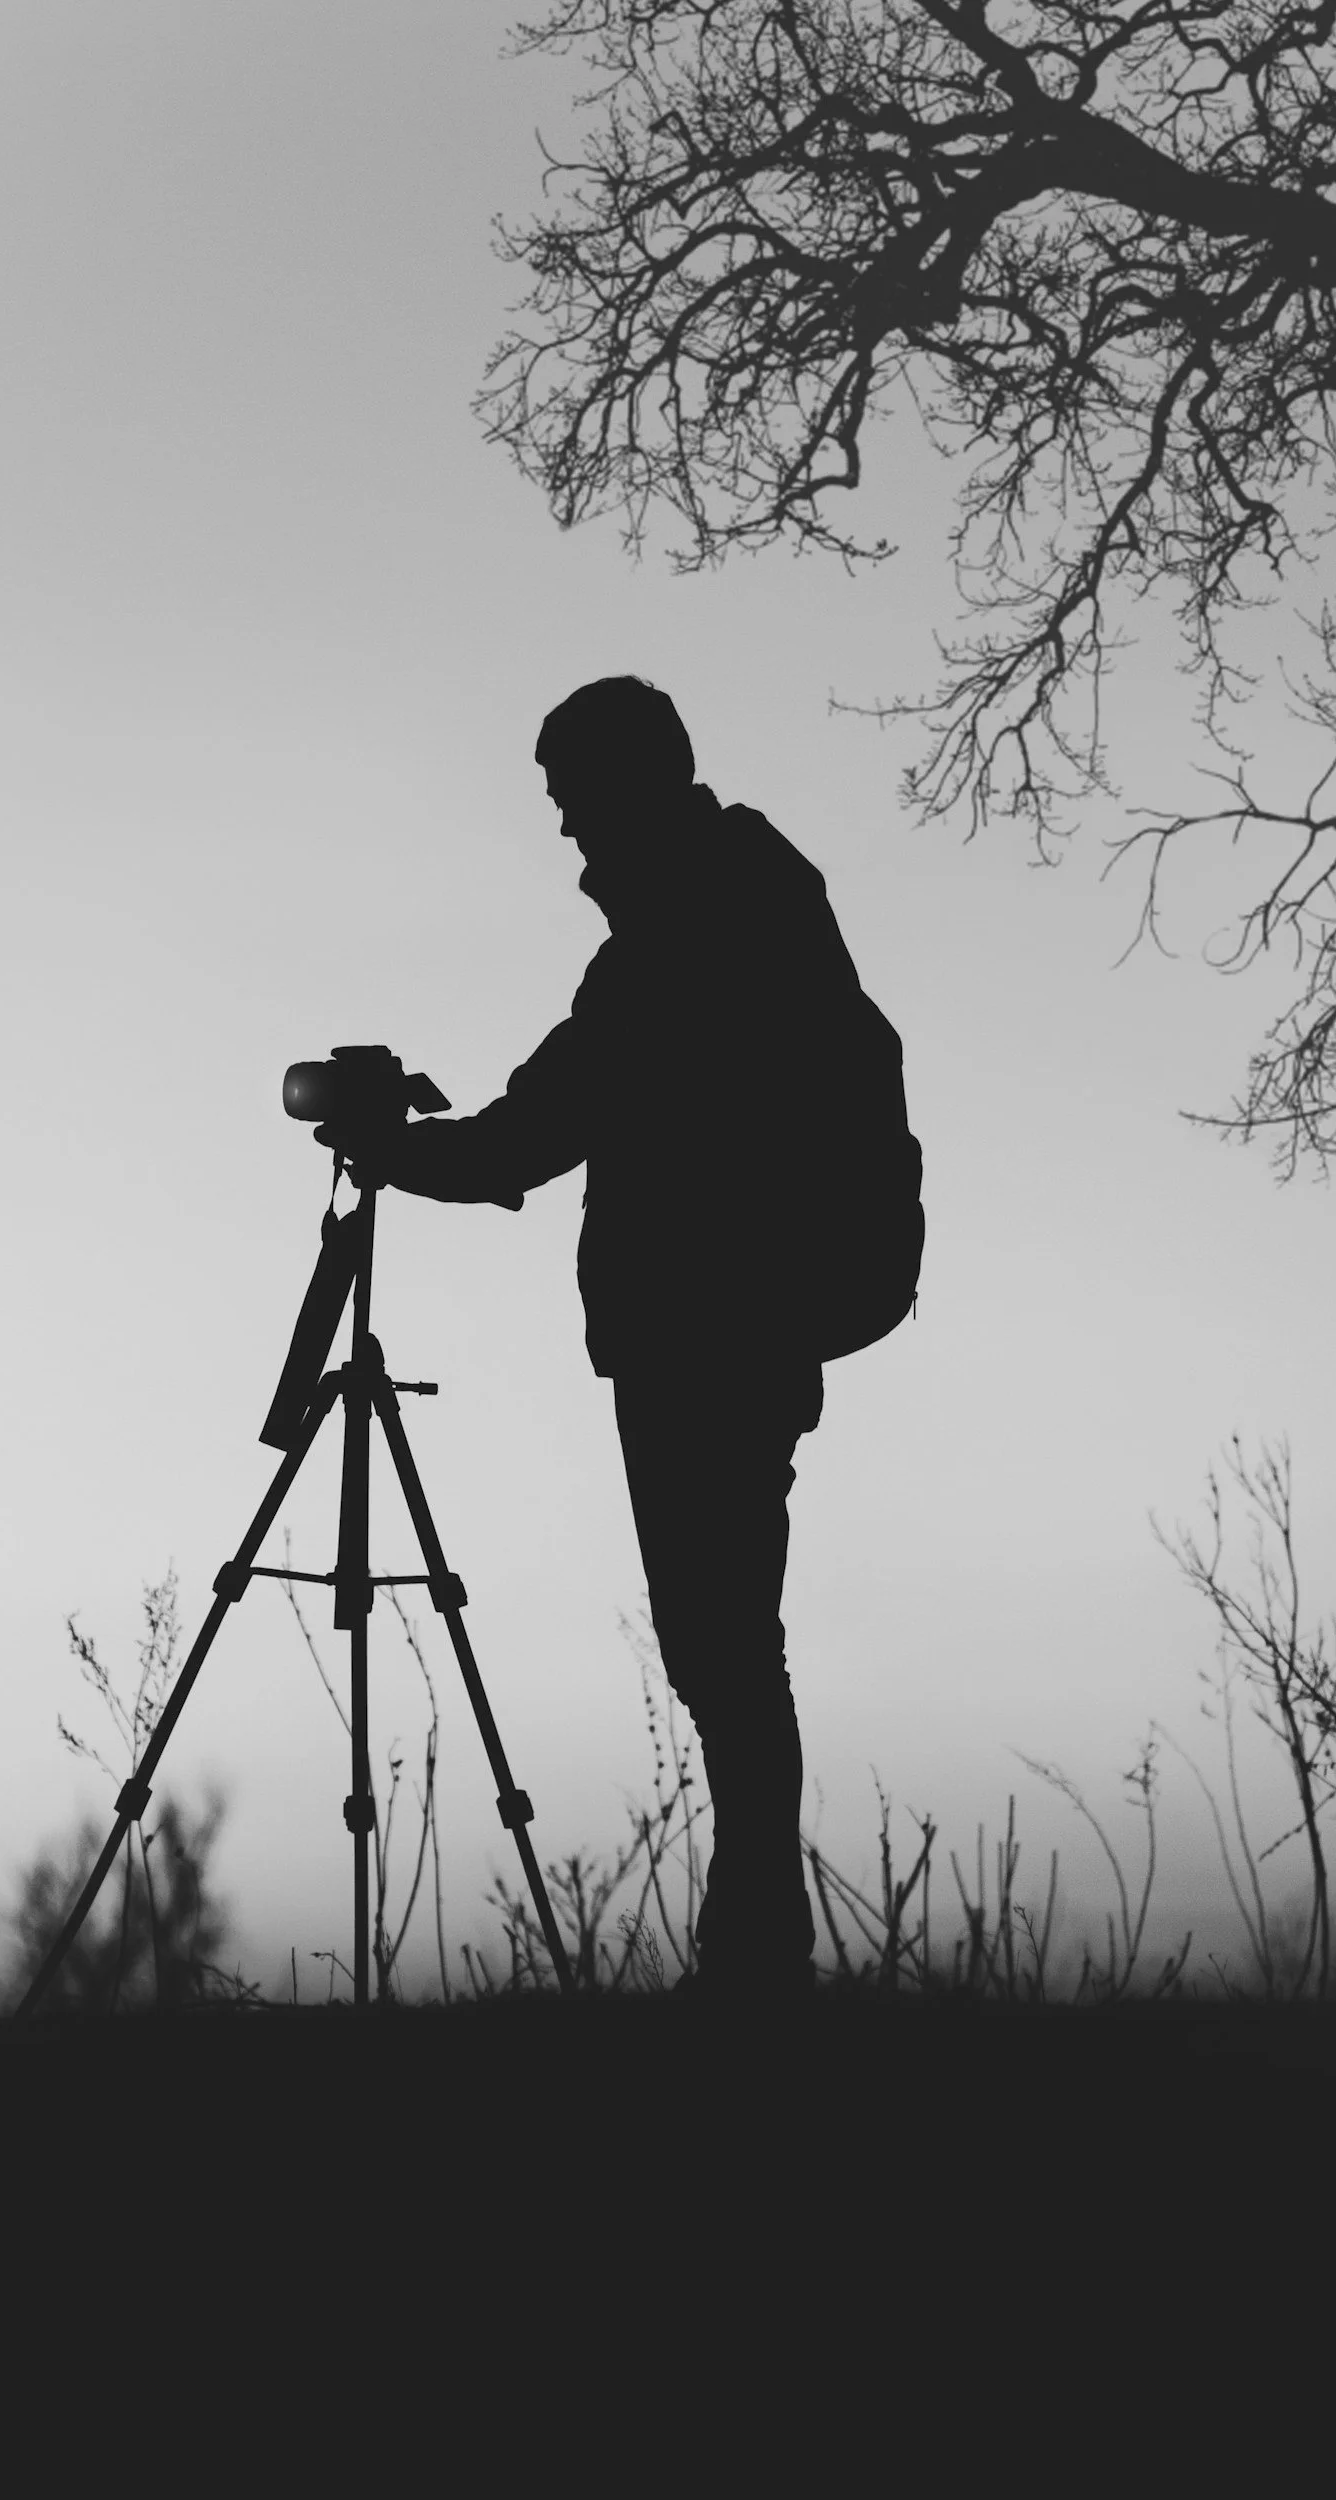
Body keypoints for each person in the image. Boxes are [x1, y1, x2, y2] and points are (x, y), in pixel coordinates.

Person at [349, 677, 902, 1996]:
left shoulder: (689, 933)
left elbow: (536, 1133)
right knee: (724, 1642)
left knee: (722, 1643)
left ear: (625, 785)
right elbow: (547, 1115)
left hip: (711, 1325)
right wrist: (432, 1150)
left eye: (569, 800)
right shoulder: (732, 904)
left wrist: (395, 1156)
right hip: (726, 1322)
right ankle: (755, 1945)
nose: (563, 832)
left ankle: (754, 1955)